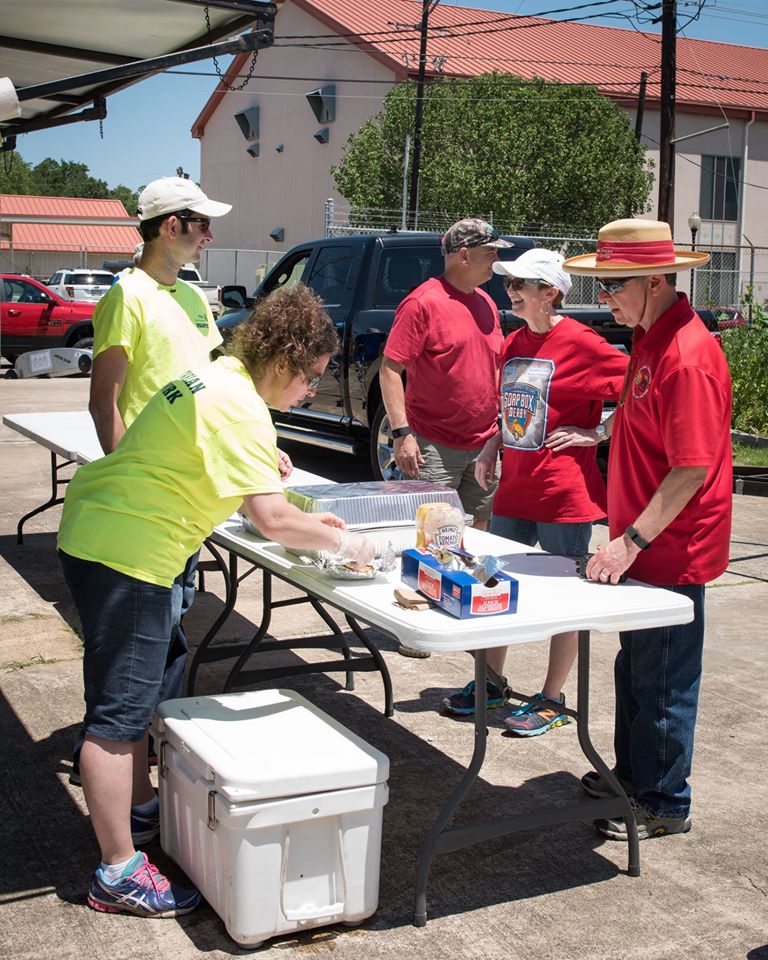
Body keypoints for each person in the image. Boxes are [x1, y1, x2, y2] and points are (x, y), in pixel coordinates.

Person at [57, 284, 376, 917]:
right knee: (118, 718)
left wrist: (262, 456)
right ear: (285, 360)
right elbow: (273, 519)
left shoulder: (217, 376)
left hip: (102, 532)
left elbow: (198, 447)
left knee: (130, 700)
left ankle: (139, 807)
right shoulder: (240, 407)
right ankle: (117, 871)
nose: (310, 392)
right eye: (310, 379)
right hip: (129, 552)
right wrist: (348, 543)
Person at [562, 218, 732, 840]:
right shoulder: (650, 339)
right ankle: (633, 778)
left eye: (614, 286)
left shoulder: (686, 356)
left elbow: (691, 467)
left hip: (667, 547)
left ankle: (663, 800)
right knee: (635, 668)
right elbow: (643, 423)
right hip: (639, 544)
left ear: (656, 281)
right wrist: (601, 434)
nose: (604, 299)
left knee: (661, 677)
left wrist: (631, 540)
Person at [68, 177, 236, 787]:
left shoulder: (192, 298)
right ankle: (121, 748)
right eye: (201, 224)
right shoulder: (126, 296)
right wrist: (125, 478)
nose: (209, 235)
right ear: (172, 225)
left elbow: (219, 387)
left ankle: (146, 748)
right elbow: (104, 400)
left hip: (186, 500)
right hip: (148, 503)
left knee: (169, 631)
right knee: (139, 643)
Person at [442, 249, 628, 727]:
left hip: (564, 494)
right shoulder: (514, 342)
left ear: (550, 292)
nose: (510, 292)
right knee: (491, 583)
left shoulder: (582, 342)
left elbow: (644, 387)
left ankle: (552, 699)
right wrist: (489, 448)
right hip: (516, 489)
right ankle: (491, 681)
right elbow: (510, 410)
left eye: (520, 284)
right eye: (508, 284)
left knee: (568, 597)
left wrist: (599, 432)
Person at [380, 218, 510, 657]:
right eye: (490, 253)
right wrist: (402, 434)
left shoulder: (488, 305)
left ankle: (468, 615)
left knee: (479, 535)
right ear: (463, 255)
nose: (497, 260)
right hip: (434, 442)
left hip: (485, 441)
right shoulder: (423, 304)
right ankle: (417, 627)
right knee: (432, 537)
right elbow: (390, 370)